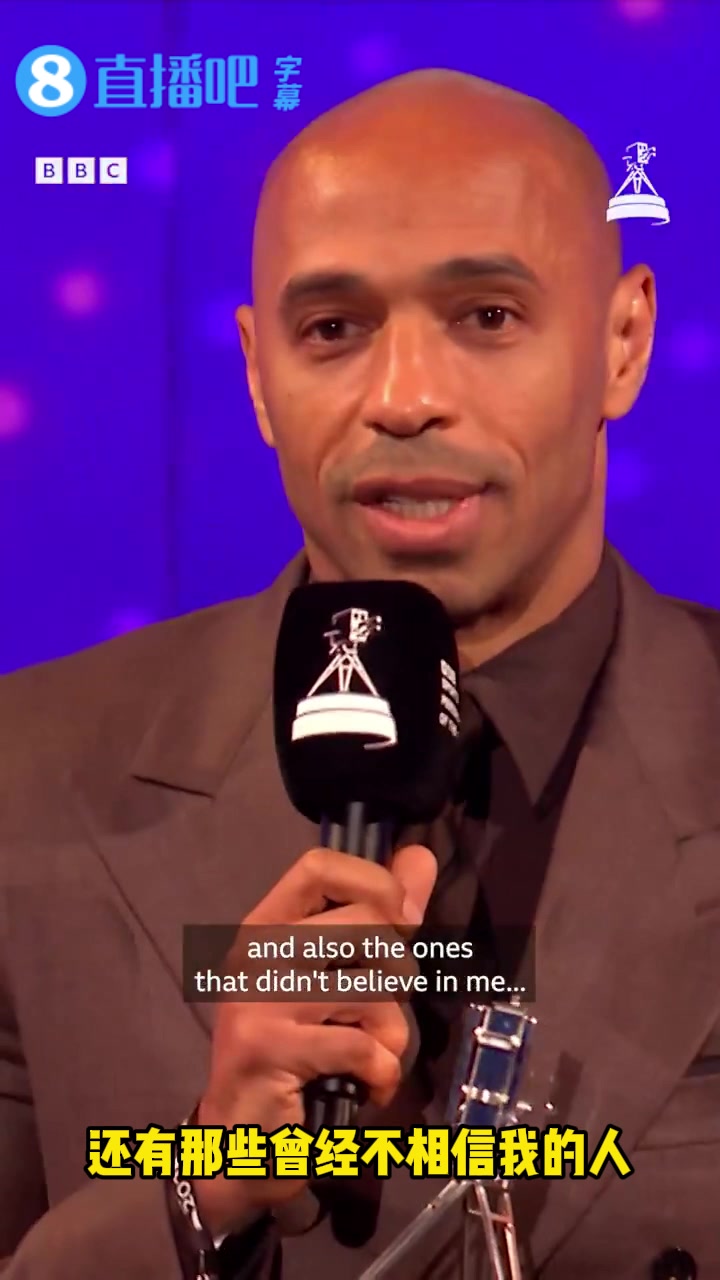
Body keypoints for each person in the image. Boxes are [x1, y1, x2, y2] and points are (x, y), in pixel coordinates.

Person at [0, 67, 718, 1280]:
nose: (404, 398)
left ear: (622, 342)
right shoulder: (27, 778)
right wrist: (197, 1190)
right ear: (257, 372)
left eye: (486, 315)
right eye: (334, 329)